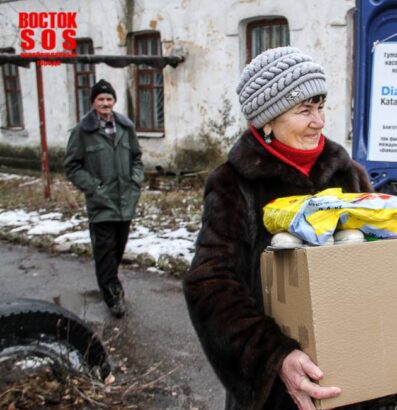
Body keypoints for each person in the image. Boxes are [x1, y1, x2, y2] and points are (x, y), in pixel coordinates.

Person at [183, 47, 373, 410]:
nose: (318, 121)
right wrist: (275, 358)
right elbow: (209, 285)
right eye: (304, 110)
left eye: (320, 106)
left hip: (353, 375)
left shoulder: (348, 173)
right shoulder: (233, 185)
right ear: (267, 120)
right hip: (280, 391)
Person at [64, 79, 144, 318]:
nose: (105, 103)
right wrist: (93, 186)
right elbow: (72, 166)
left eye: (109, 99)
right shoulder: (82, 131)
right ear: (93, 102)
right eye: (101, 99)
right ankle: (113, 294)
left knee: (117, 249)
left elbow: (137, 158)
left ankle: (110, 282)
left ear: (114, 102)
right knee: (104, 251)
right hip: (101, 203)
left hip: (125, 201)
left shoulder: (125, 128)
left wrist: (135, 180)